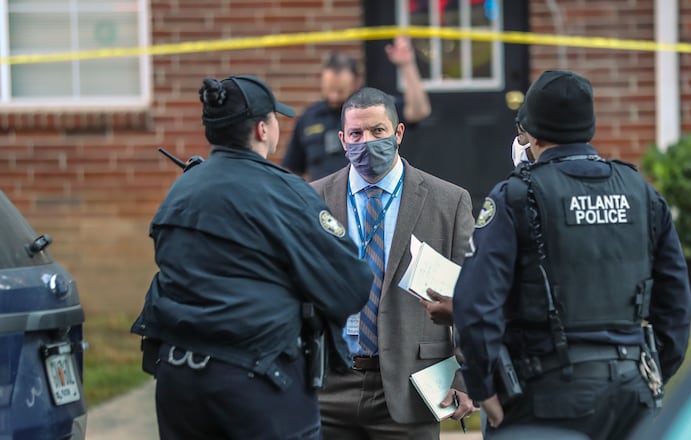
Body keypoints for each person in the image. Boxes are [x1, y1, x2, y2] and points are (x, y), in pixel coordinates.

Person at [453, 70, 691, 440]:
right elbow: (676, 306)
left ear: (529, 132)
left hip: (547, 398)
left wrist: (485, 391)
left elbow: (475, 305)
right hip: (634, 391)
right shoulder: (641, 193)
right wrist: (649, 371)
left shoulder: (516, 195)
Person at [130, 74, 372, 440]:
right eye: (276, 119)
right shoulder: (284, 193)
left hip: (178, 377)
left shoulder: (181, 190)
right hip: (256, 381)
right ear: (262, 129)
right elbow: (351, 285)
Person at [310, 86, 475, 439]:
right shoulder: (312, 199)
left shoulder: (448, 202)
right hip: (328, 386)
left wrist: (465, 373)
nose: (366, 141)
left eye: (378, 131)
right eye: (356, 133)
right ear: (342, 139)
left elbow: (472, 296)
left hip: (411, 386)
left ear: (398, 133)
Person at [282, 36, 432, 181]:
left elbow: (418, 111)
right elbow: (292, 168)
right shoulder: (309, 117)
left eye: (340, 91)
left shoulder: (375, 108)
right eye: (329, 90)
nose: (334, 97)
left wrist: (407, 65)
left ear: (356, 82)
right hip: (323, 201)